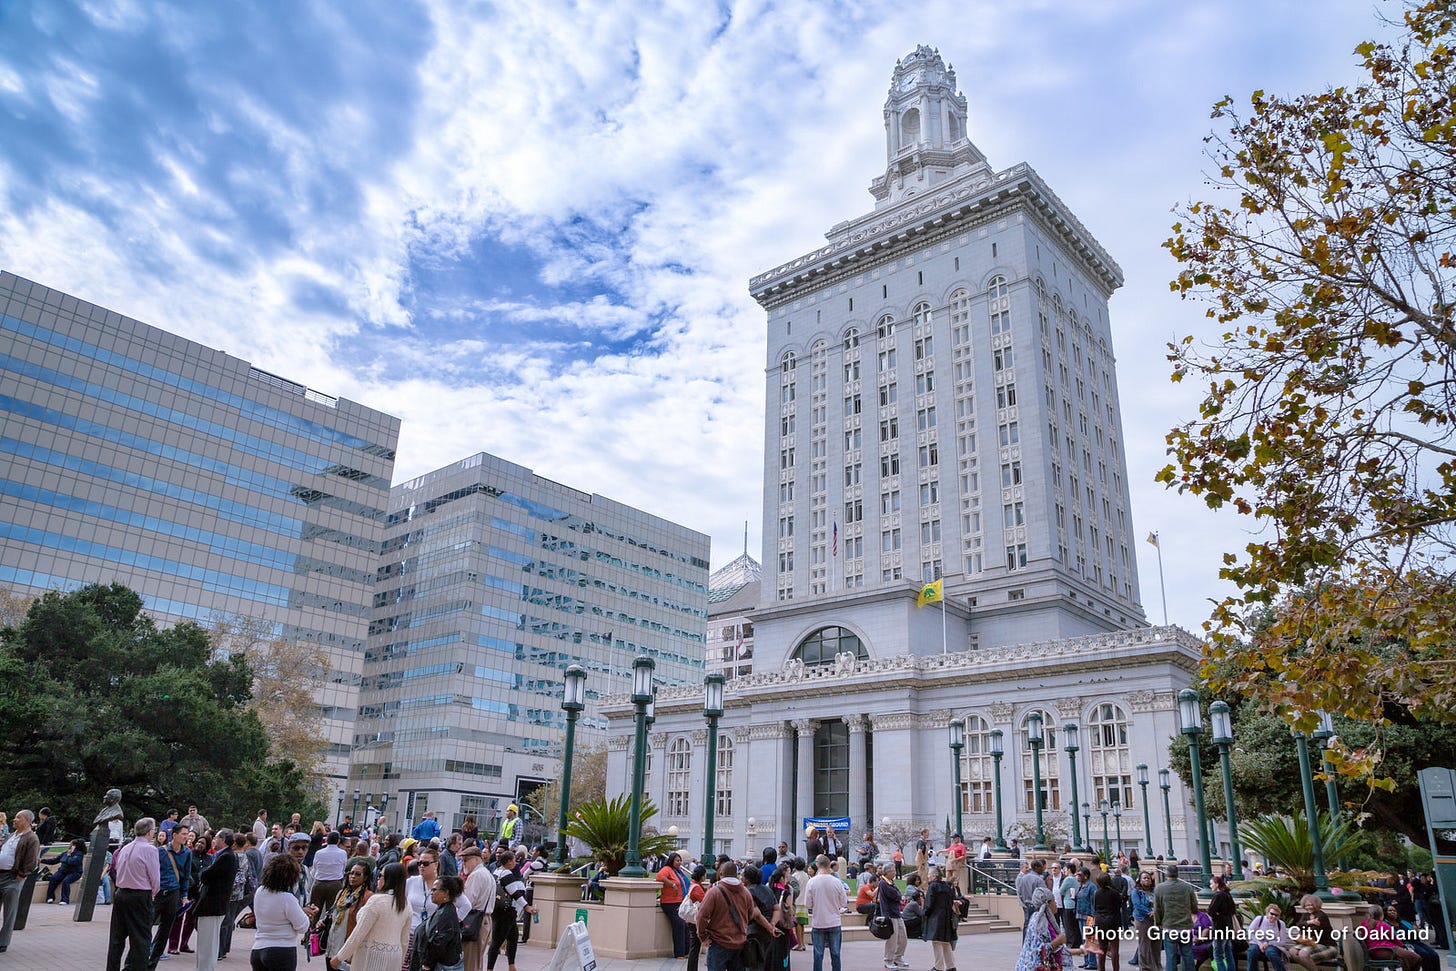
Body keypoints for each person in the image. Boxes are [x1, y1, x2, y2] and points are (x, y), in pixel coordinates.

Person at [698, 860, 781, 971]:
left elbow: (701, 916)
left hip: (718, 942)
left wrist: (703, 936)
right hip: (740, 943)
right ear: (736, 874)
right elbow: (752, 914)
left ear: (721, 874)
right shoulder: (745, 893)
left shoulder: (714, 892)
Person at [330, 862, 412, 971]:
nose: (378, 879)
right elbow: (404, 940)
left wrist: (340, 956)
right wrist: (399, 962)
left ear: (388, 879)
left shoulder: (376, 901)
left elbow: (359, 933)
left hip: (371, 957)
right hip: (395, 957)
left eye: (380, 876)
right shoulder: (406, 904)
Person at [107, 817, 161, 971]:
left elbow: (117, 869)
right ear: (150, 832)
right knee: (141, 939)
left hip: (121, 893)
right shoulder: (150, 849)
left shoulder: (125, 848)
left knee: (117, 938)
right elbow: (155, 878)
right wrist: (152, 894)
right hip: (140, 895)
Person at [251, 853, 316, 971]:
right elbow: (303, 927)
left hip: (258, 948)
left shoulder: (260, 891)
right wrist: (308, 916)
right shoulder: (287, 898)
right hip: (282, 950)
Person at [194, 829, 239, 971]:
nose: (213, 840)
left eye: (216, 838)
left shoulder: (226, 857)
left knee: (207, 945)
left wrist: (201, 874)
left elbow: (206, 875)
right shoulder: (224, 856)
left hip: (212, 906)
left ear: (223, 840)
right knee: (208, 944)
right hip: (213, 906)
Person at [150, 822, 193, 971]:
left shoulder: (187, 852)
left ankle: (152, 962)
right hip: (158, 894)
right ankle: (142, 956)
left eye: (187, 834)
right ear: (174, 835)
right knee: (147, 925)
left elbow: (186, 876)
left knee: (165, 929)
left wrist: (184, 896)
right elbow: (152, 872)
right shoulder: (160, 851)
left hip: (174, 894)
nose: (186, 837)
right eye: (183, 834)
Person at [0, 809, 40, 953]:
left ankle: (3, 942)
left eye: (18, 817)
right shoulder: (12, 835)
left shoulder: (31, 838)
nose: (14, 820)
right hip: (1, 874)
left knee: (9, 911)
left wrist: (21, 875)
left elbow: (32, 860)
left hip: (12, 878)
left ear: (27, 820)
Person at [804, 854, 847, 971]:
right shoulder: (837, 882)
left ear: (817, 865)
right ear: (829, 865)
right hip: (834, 921)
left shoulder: (812, 882)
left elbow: (808, 904)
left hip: (818, 922)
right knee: (836, 954)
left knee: (818, 955)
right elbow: (844, 902)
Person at [1154, 863, 1198, 971]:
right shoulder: (1187, 887)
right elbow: (1194, 907)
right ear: (1177, 874)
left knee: (1171, 956)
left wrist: (1158, 923)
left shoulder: (1160, 888)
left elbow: (1157, 909)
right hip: (1185, 926)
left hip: (1169, 926)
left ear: (1166, 874)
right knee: (1188, 955)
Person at [418, 875, 466, 971]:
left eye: (434, 890)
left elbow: (439, 943)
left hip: (444, 966)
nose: (431, 893)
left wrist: (427, 964)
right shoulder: (444, 910)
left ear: (446, 893)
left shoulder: (446, 914)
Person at [460, 846, 496, 971]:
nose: (464, 863)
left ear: (476, 859)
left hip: (475, 921)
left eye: (466, 860)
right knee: (477, 961)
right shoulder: (487, 874)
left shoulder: (476, 875)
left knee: (470, 963)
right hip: (484, 920)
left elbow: (467, 903)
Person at [1014, 886, 1067, 971]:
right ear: (1048, 904)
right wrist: (1058, 941)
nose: (1056, 903)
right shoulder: (1040, 923)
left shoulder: (1039, 918)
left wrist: (1080, 950)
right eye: (1054, 900)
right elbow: (1039, 950)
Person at [922, 865, 963, 971]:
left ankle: (938, 966)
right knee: (946, 942)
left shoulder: (933, 886)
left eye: (929, 875)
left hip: (936, 918)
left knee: (937, 942)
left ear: (934, 876)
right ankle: (951, 966)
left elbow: (929, 903)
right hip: (947, 916)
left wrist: (925, 913)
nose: (928, 876)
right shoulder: (946, 886)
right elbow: (951, 901)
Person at [1359, 904, 1420, 971]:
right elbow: (1395, 939)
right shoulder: (1383, 925)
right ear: (1381, 915)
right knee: (1416, 958)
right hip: (1387, 950)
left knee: (1405, 959)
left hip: (1373, 951)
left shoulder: (1364, 924)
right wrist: (1403, 946)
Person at [656, 850, 692, 958]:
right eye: (677, 860)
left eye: (680, 860)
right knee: (679, 924)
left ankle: (686, 952)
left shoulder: (679, 872)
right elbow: (660, 877)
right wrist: (672, 884)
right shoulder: (667, 869)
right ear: (671, 861)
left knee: (685, 925)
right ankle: (679, 953)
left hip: (680, 902)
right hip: (669, 903)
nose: (679, 862)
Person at [1386, 902, 1439, 971]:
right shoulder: (1386, 924)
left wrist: (1416, 930)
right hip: (1405, 943)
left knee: (1434, 954)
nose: (1393, 912)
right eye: (1390, 910)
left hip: (1415, 941)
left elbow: (1415, 932)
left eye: (1394, 910)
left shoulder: (1402, 922)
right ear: (1385, 912)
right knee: (1425, 954)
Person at [877, 860, 907, 971]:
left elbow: (898, 894)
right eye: (893, 870)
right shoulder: (883, 883)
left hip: (897, 914)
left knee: (903, 938)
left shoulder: (890, 882)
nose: (895, 872)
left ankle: (898, 958)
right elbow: (896, 895)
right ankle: (888, 960)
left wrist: (898, 895)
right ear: (888, 871)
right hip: (890, 915)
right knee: (892, 940)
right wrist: (898, 895)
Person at [1246, 903, 1292, 971]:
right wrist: (1260, 944)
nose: (1273, 916)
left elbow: (1282, 941)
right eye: (1271, 914)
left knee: (1270, 952)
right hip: (1257, 942)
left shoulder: (1281, 924)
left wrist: (1268, 943)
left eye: (1276, 915)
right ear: (1267, 913)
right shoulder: (1259, 919)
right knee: (1252, 951)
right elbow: (1250, 932)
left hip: (1273, 945)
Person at [312, 831, 348, 915]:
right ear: (338, 841)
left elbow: (315, 867)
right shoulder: (343, 853)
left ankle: (312, 927)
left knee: (314, 910)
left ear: (327, 840)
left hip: (319, 882)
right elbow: (343, 868)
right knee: (331, 912)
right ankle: (328, 927)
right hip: (335, 883)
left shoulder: (319, 853)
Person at [1133, 869, 1162, 971]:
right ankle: (1145, 967)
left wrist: (1156, 912)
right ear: (1140, 880)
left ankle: (1157, 966)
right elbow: (1137, 905)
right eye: (1144, 878)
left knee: (1156, 945)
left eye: (1148, 878)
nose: (1146, 880)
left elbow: (1160, 903)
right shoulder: (1136, 892)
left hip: (1155, 920)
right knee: (1144, 945)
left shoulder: (1155, 891)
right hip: (1142, 920)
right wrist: (1149, 912)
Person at [685, 864, 711, 971]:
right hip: (695, 920)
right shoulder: (697, 888)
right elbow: (705, 902)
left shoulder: (693, 885)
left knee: (694, 948)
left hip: (692, 919)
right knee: (695, 948)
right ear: (702, 876)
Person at [47, 837, 88, 904]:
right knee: (53, 878)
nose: (69, 845)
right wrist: (41, 860)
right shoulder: (65, 853)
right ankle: (50, 897)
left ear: (74, 846)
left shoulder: (79, 854)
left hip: (75, 873)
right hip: (63, 871)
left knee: (66, 881)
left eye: (71, 844)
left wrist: (68, 856)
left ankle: (64, 900)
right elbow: (54, 861)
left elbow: (72, 862)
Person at [1016, 858, 1047, 938]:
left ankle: (1025, 944)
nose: (1043, 868)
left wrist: (1023, 903)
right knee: (1036, 925)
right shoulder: (1039, 879)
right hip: (1036, 906)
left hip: (1026, 904)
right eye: (1041, 867)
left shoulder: (1023, 878)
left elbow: (1020, 893)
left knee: (1027, 924)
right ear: (1036, 867)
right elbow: (1044, 894)